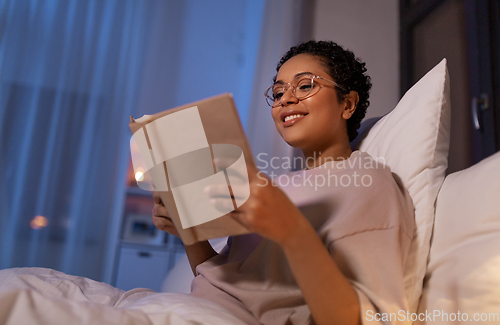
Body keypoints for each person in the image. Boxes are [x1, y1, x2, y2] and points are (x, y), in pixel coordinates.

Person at [152, 40, 414, 325]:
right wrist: (188, 232)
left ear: (348, 104)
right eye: (278, 92)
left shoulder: (367, 182)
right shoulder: (277, 186)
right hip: (195, 309)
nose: (285, 100)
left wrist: (291, 229)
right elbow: (222, 279)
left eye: (304, 86)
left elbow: (362, 318)